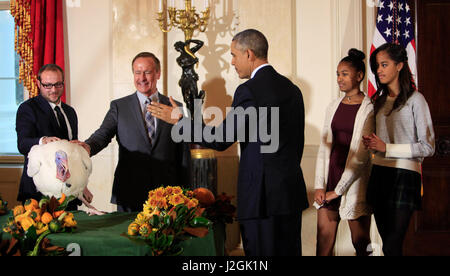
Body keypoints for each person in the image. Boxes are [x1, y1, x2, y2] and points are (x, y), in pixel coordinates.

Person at [149, 29, 308, 256]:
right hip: (289, 194)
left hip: (261, 199)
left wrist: (180, 122)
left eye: (234, 55)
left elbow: (222, 138)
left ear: (249, 54)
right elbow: (297, 145)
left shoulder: (249, 90)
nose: (232, 62)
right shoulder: (292, 90)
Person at [79, 52, 191, 212]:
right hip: (129, 193)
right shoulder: (119, 107)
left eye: (147, 72)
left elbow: (184, 155)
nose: (142, 78)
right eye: (137, 72)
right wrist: (87, 147)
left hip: (168, 194)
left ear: (158, 73)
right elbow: (102, 135)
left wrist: (186, 193)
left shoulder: (176, 107)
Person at [363, 43, 435, 256]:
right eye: (377, 66)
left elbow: (428, 146)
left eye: (384, 64)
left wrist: (388, 147)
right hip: (378, 174)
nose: (379, 70)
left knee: (393, 244)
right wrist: (372, 145)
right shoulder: (377, 101)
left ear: (400, 66)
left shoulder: (416, 100)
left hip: (404, 175)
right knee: (387, 246)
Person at [314, 49, 374, 256]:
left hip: (355, 185)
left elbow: (362, 156)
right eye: (338, 74)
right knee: (323, 244)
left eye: (344, 74)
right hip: (330, 179)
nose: (339, 79)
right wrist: (320, 185)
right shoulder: (333, 106)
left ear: (359, 76)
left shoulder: (369, 109)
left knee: (362, 245)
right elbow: (324, 147)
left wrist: (338, 191)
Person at [15, 64, 92, 209]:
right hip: (38, 194)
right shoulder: (27, 109)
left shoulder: (70, 112)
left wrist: (83, 187)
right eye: (47, 85)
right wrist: (43, 141)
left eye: (58, 84)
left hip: (69, 193)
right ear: (38, 83)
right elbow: (23, 144)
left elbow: (73, 157)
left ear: (63, 82)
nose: (54, 90)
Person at [174, 39, 205, 116]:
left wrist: (190, 41)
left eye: (177, 47)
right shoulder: (179, 59)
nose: (177, 49)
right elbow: (184, 65)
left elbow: (201, 43)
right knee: (186, 99)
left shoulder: (190, 52)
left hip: (192, 78)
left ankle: (195, 115)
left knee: (194, 97)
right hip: (184, 79)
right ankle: (190, 116)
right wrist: (194, 61)